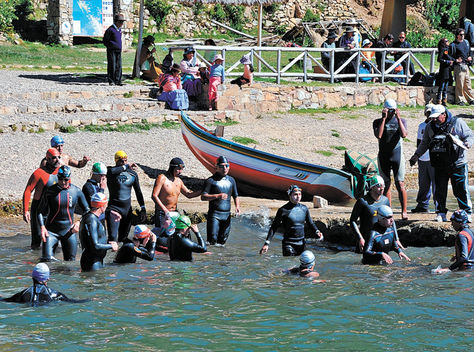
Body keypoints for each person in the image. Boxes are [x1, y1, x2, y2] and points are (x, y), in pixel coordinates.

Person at [409, 105, 474, 222]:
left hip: (457, 163)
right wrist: (416, 155)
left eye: (436, 117)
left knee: (461, 189)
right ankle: (441, 212)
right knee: (439, 189)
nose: (433, 119)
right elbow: (425, 143)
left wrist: (467, 143)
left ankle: (467, 212)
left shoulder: (457, 122)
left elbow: (469, 135)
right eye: (432, 117)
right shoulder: (430, 126)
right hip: (439, 164)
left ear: (444, 114)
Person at [38, 165, 89, 262]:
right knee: (47, 260)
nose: (63, 182)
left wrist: (78, 223)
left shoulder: (76, 191)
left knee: (70, 263)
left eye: (65, 179)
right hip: (51, 231)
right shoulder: (50, 191)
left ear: (69, 178)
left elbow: (87, 211)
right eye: (60, 179)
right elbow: (39, 211)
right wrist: (42, 227)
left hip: (68, 231)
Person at [260, 185, 323, 256]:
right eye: (295, 194)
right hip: (288, 244)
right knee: (289, 265)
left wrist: (317, 231)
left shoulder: (304, 208)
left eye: (300, 194)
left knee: (302, 265)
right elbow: (274, 227)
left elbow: (310, 223)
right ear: (290, 195)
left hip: (302, 244)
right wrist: (267, 243)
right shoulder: (283, 210)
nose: (298, 196)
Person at [373, 99, 408, 219]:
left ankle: (404, 211)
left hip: (397, 156)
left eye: (393, 110)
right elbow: (379, 135)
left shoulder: (401, 121)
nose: (391, 113)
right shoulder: (377, 121)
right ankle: (388, 210)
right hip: (384, 156)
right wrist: (383, 119)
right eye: (389, 110)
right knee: (385, 185)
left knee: (400, 184)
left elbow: (404, 135)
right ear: (384, 109)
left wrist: (398, 118)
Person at [23, 148, 60, 249]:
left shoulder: (61, 172)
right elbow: (28, 190)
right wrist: (26, 210)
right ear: (47, 159)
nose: (57, 160)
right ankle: (33, 260)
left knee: (53, 238)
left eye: (58, 157)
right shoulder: (38, 173)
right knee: (37, 239)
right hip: (39, 208)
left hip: (53, 209)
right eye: (54, 158)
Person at [106, 150, 146, 242]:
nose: (123, 163)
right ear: (116, 161)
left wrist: (143, 208)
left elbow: (138, 192)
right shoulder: (110, 171)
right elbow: (112, 171)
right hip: (114, 209)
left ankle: (119, 256)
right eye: (121, 161)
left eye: (125, 161)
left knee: (123, 239)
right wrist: (126, 166)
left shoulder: (132, 174)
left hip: (127, 210)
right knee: (112, 238)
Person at [151, 157, 201, 229]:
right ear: (172, 168)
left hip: (174, 212)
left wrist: (202, 191)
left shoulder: (179, 181)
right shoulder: (162, 178)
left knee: (173, 237)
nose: (180, 172)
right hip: (162, 213)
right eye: (178, 169)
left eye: (182, 169)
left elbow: (188, 194)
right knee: (162, 237)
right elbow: (154, 196)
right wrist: (165, 210)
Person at [2, 263, 85, 305]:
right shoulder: (54, 294)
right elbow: (73, 301)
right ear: (48, 278)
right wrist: (90, 299)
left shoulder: (23, 294)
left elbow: (4, 300)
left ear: (33, 277)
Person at [201, 156, 240, 245]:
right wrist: (217, 196)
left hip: (226, 215)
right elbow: (203, 197)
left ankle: (220, 257)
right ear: (216, 167)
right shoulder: (210, 181)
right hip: (214, 215)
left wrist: (237, 207)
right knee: (212, 241)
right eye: (222, 166)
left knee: (222, 242)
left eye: (227, 166)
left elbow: (236, 196)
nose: (225, 168)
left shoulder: (231, 180)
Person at [350, 175, 390, 252]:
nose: (382, 188)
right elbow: (352, 220)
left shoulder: (385, 201)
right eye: (378, 186)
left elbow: (391, 220)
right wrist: (360, 239)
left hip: (380, 240)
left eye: (383, 185)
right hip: (365, 241)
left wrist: (396, 239)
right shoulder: (362, 202)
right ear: (371, 187)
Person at [79, 193, 118, 271]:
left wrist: (108, 244)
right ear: (101, 205)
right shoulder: (91, 220)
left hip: (97, 261)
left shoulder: (93, 218)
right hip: (91, 263)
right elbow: (95, 246)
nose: (106, 206)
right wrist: (111, 246)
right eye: (106, 204)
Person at [411, 104, 437, 214]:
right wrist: (417, 155)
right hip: (422, 159)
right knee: (423, 183)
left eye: (431, 113)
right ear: (425, 114)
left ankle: (439, 206)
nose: (430, 115)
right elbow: (419, 142)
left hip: (433, 159)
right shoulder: (421, 126)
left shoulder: (436, 126)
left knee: (436, 184)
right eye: (428, 113)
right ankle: (422, 205)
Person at [448, 28, 474, 106]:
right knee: (460, 84)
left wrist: (470, 57)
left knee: (468, 83)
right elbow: (448, 56)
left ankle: (471, 99)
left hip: (466, 65)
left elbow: (470, 52)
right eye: (461, 35)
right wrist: (455, 60)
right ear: (457, 35)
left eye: (463, 34)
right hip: (458, 67)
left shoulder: (466, 42)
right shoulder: (453, 45)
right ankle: (459, 100)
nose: (463, 36)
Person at [103, 13, 125, 86]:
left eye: (122, 22)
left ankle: (118, 80)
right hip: (112, 50)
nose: (122, 23)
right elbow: (105, 40)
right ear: (117, 21)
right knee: (112, 65)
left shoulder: (119, 30)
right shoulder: (110, 29)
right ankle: (111, 80)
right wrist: (110, 46)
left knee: (119, 65)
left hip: (118, 50)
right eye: (121, 22)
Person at [435, 38, 454, 105]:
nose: (448, 42)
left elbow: (449, 57)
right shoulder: (442, 49)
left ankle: (444, 100)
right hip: (443, 69)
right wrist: (448, 62)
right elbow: (439, 59)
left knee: (446, 85)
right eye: (446, 41)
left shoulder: (447, 49)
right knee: (442, 85)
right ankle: (439, 99)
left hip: (448, 69)